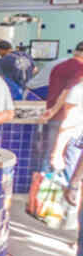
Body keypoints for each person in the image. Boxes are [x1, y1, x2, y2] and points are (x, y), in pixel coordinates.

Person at [38, 42, 83, 171]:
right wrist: (54, 110)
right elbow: (68, 93)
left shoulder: (58, 66)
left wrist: (51, 111)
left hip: (55, 116)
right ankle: (63, 189)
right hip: (66, 118)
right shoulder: (80, 68)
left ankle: (43, 186)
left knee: (50, 155)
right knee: (68, 158)